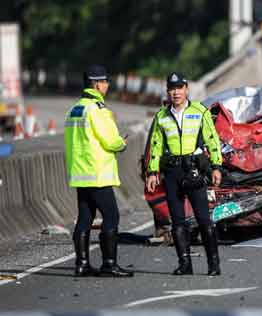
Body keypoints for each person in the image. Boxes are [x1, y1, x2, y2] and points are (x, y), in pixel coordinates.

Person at [145, 72, 223, 276]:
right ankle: (184, 263)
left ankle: (213, 264)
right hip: (172, 173)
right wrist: (153, 172)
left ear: (186, 89)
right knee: (177, 221)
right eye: (172, 89)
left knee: (204, 219)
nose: (176, 92)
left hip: (194, 170)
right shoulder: (161, 116)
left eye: (179, 88)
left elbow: (212, 140)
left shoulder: (200, 111)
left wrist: (216, 167)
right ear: (167, 92)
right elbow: (156, 145)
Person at [64, 65, 133, 277]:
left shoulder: (75, 109)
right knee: (111, 217)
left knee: (85, 219)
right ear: (96, 83)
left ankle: (82, 264)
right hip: (98, 173)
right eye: (105, 82)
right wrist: (122, 143)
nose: (107, 85)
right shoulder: (98, 109)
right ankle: (109, 264)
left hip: (80, 174)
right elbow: (110, 140)